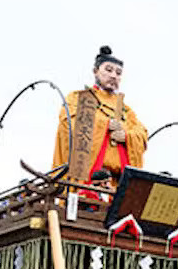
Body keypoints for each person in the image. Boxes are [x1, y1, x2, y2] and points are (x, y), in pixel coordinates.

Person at [53, 45, 149, 186]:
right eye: (108, 70)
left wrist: (127, 136)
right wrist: (105, 125)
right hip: (86, 180)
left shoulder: (126, 110)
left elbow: (142, 133)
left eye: (118, 73)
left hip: (116, 182)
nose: (113, 76)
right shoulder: (80, 98)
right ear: (95, 71)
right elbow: (69, 123)